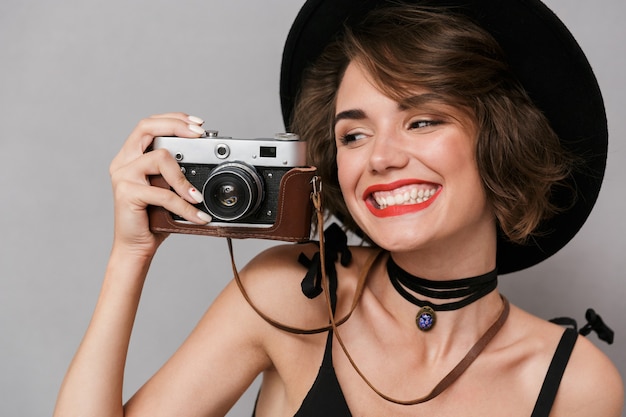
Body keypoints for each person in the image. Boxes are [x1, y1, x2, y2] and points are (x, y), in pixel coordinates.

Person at [54, 0, 624, 416]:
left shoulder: (575, 383)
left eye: (421, 121)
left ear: (499, 140)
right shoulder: (289, 297)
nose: (380, 157)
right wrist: (129, 255)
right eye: (353, 136)